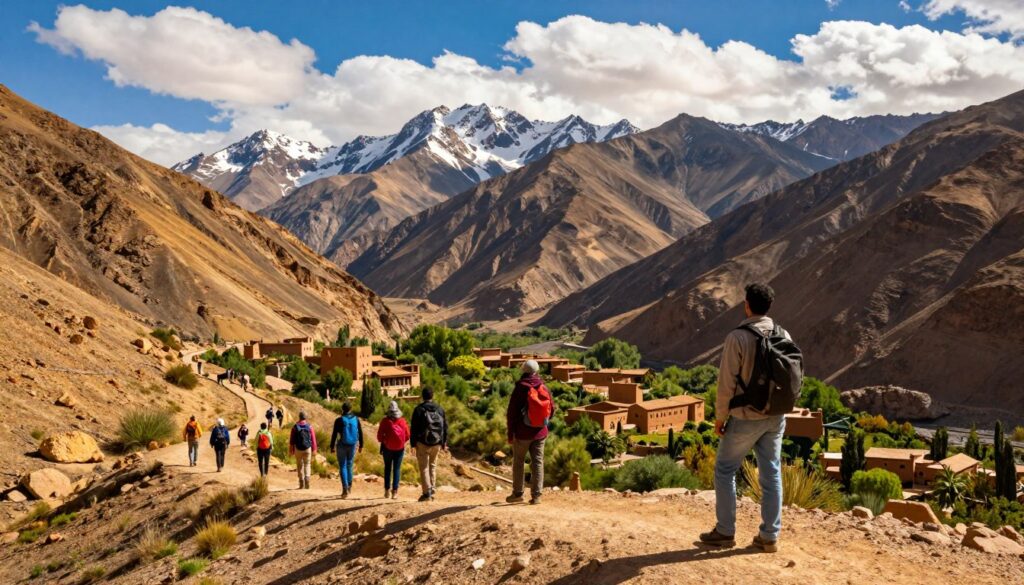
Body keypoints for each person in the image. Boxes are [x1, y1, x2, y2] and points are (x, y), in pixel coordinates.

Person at [700, 283, 790, 553]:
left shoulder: (737, 337)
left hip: (746, 416)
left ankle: (725, 532)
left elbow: (726, 382)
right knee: (771, 472)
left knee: (725, 470)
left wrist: (720, 417)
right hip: (776, 416)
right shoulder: (783, 333)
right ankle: (769, 536)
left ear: (747, 305)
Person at [505, 359, 554, 505]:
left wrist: (510, 433)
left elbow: (511, 413)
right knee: (538, 462)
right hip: (540, 433)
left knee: (519, 462)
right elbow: (552, 409)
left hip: (522, 433)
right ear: (536, 371)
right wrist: (541, 423)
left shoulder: (520, 387)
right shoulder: (543, 386)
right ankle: (537, 496)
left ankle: (518, 493)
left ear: (523, 371)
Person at [410, 387, 447, 502]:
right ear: (432, 396)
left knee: (424, 467)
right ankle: (432, 488)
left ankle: (427, 493)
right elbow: (445, 427)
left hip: (422, 443)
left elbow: (414, 428)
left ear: (422, 396)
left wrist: (412, 444)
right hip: (436, 442)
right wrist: (444, 442)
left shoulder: (418, 409)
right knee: (433, 466)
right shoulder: (440, 409)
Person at [329, 402, 363, 498]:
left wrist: (332, 447)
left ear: (342, 409)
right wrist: (361, 446)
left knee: (342, 466)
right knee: (350, 465)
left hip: (342, 445)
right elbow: (360, 432)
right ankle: (350, 487)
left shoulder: (339, 420)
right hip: (353, 445)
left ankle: (345, 489)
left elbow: (334, 434)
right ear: (351, 409)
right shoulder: (356, 419)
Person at [377, 401, 409, 500]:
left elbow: (379, 437)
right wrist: (401, 442)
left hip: (387, 448)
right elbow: (408, 435)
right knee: (397, 469)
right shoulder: (402, 421)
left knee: (387, 468)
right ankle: (395, 492)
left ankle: (387, 490)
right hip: (399, 449)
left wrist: (385, 441)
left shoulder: (384, 421)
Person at [289, 411, 317, 489]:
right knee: (307, 464)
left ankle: (301, 482)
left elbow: (292, 440)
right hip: (307, 448)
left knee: (299, 465)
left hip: (298, 449)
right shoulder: (309, 426)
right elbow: (313, 439)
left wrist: (291, 450)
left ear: (299, 417)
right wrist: (314, 449)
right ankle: (307, 478)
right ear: (305, 417)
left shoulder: (295, 427)